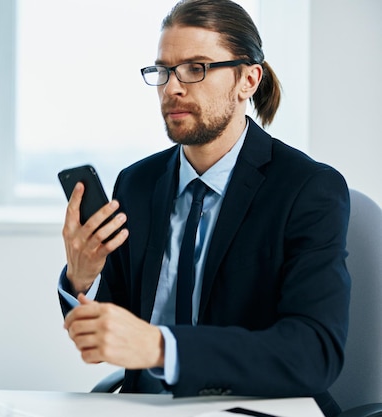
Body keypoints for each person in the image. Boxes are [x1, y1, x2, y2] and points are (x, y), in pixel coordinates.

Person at [57, 1, 351, 416]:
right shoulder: (137, 184)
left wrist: (162, 347)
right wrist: (80, 281)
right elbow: (115, 334)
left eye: (196, 68)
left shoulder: (307, 189)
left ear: (248, 79)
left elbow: (314, 351)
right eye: (163, 70)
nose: (172, 88)